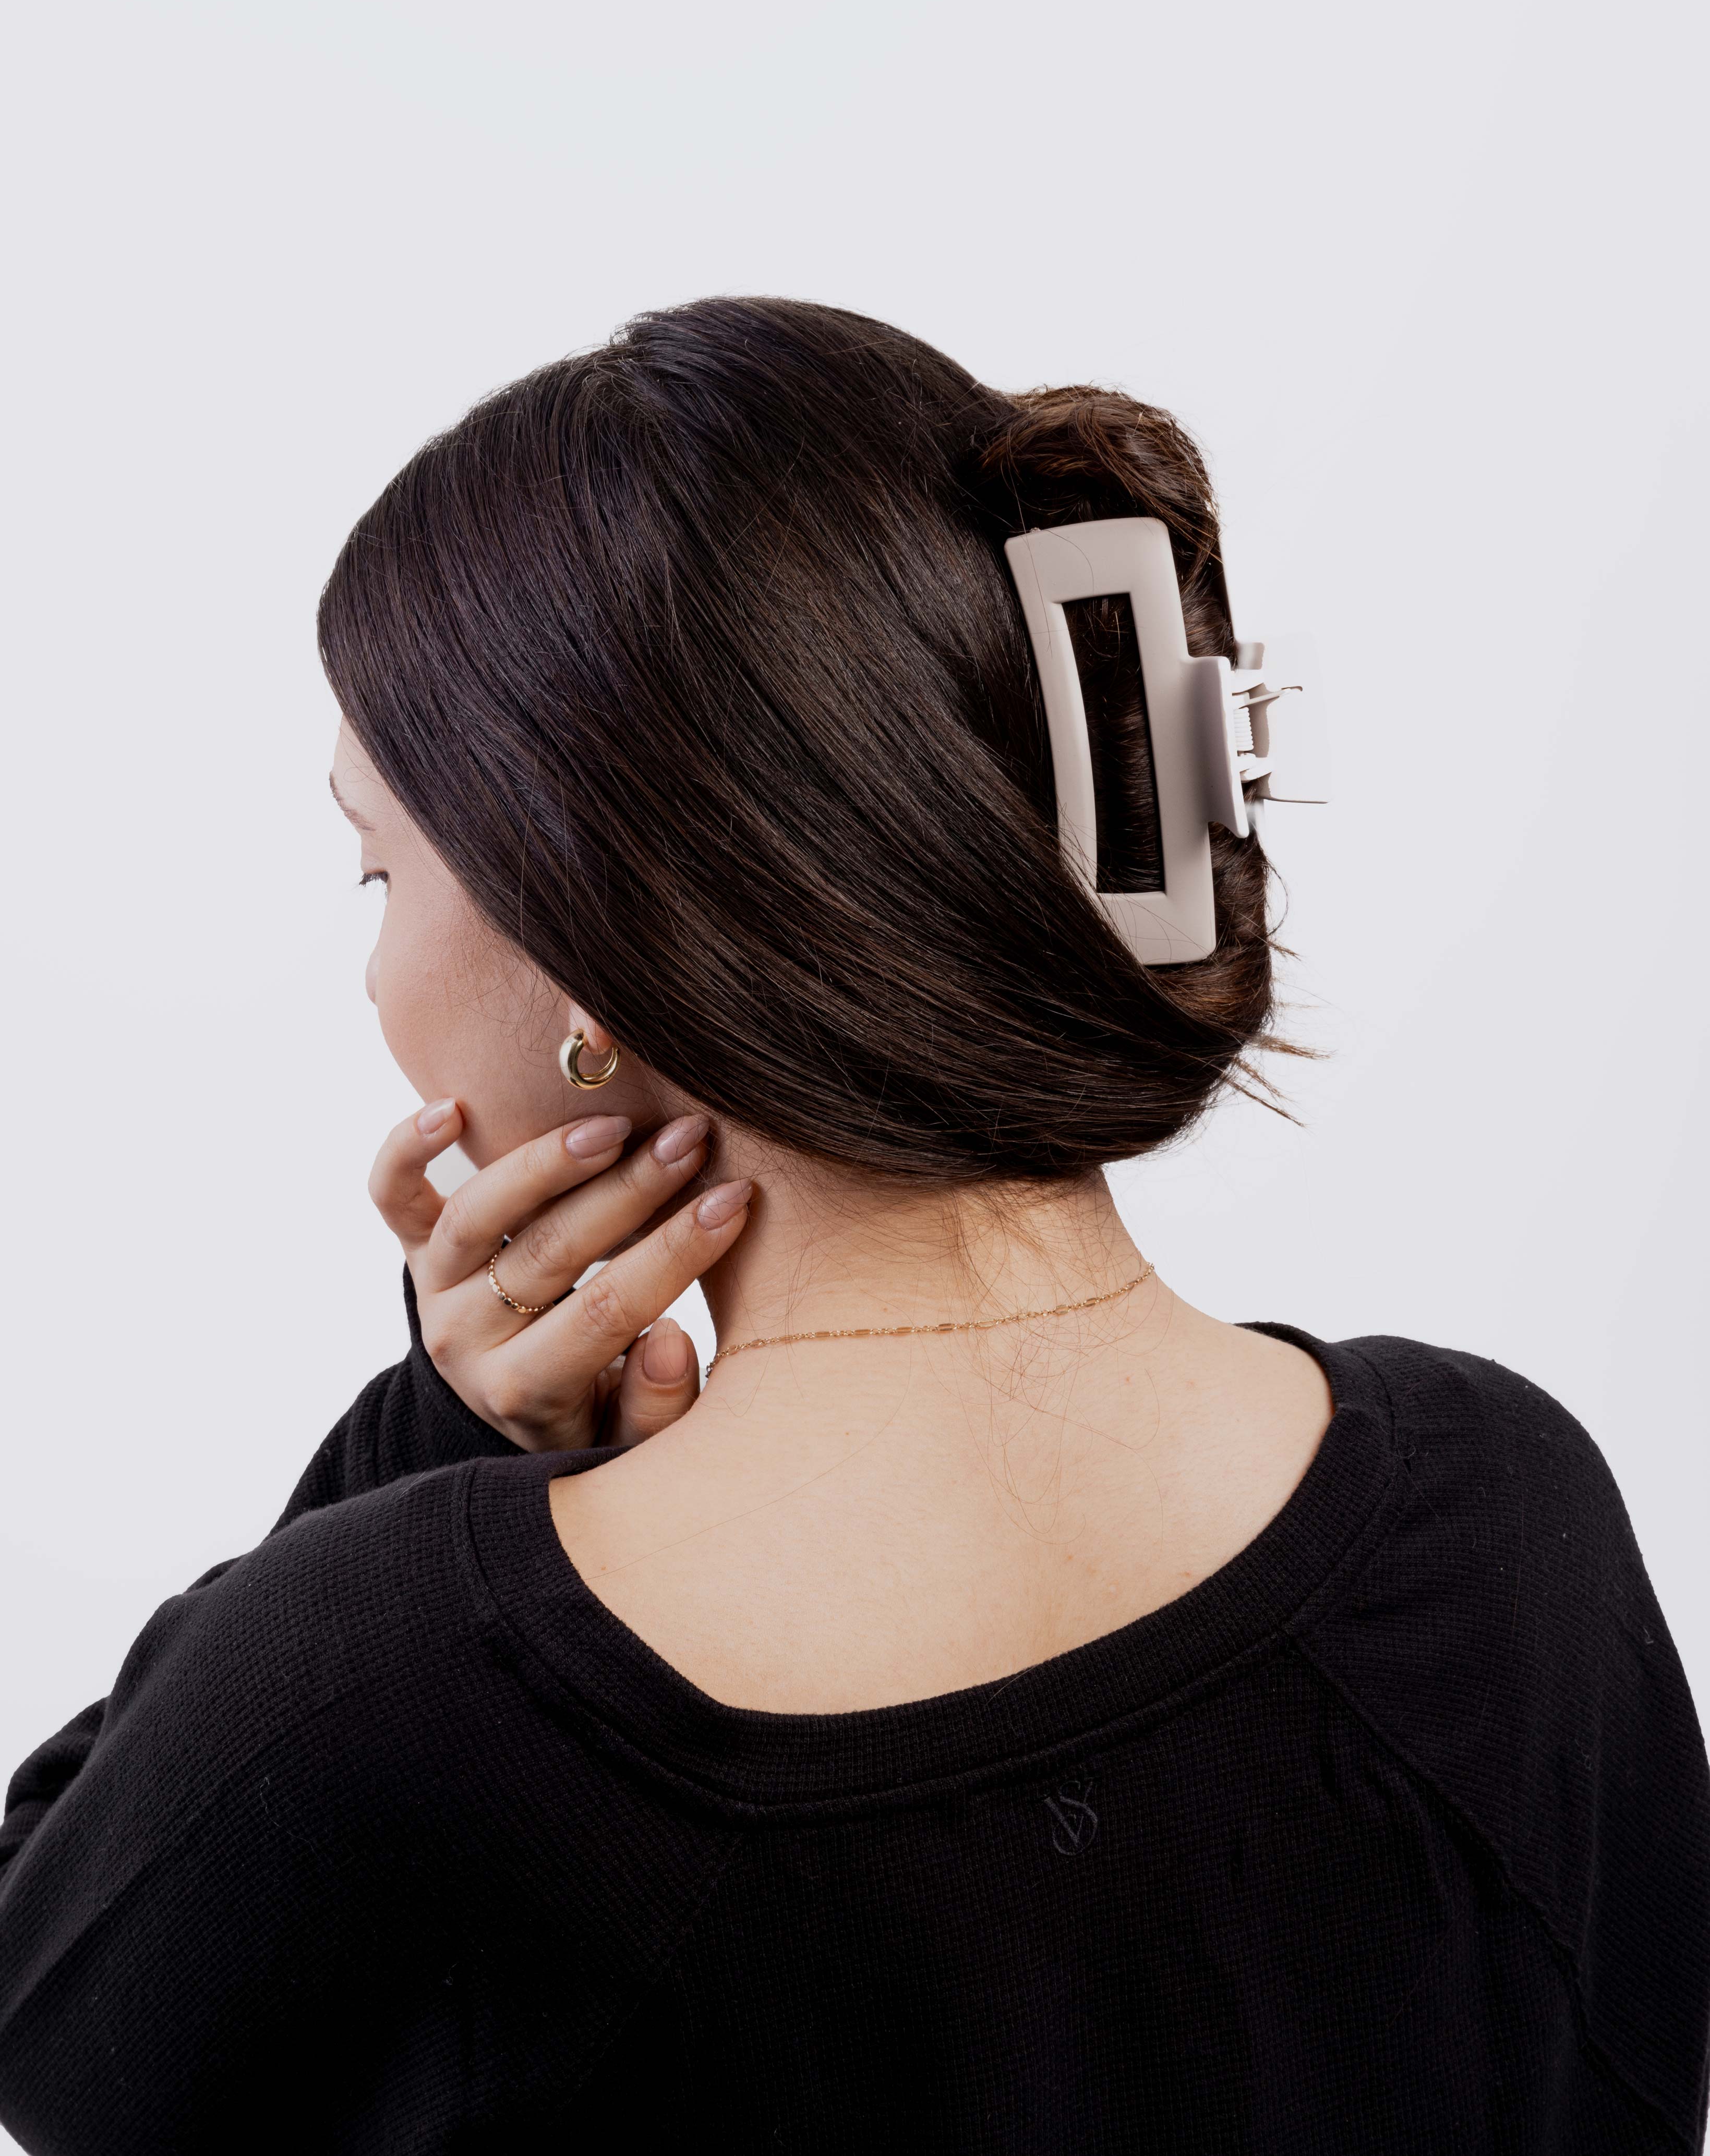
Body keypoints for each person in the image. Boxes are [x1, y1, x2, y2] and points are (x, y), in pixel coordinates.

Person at [1, 298, 1705, 2154]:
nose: (374, 971)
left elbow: (49, 2009)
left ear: (589, 928)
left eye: (377, 865)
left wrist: (440, 1436)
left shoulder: (386, 1683)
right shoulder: (1511, 1518)